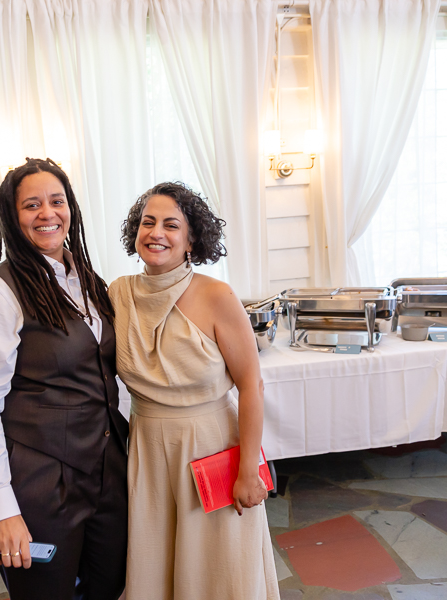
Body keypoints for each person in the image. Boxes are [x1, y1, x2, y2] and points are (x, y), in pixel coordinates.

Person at [0, 158, 129, 600]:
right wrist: (1, 510)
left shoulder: (87, 279)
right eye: (31, 205)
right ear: (12, 218)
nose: (47, 213)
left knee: (108, 589)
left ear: (71, 207)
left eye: (56, 201)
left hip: (107, 470)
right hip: (38, 482)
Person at [109, 182, 280, 599]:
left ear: (191, 239)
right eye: (147, 222)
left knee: (219, 569)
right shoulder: (118, 294)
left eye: (171, 224)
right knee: (155, 566)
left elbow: (252, 387)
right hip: (148, 449)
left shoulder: (217, 296)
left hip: (212, 446)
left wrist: (246, 473)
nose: (156, 233)